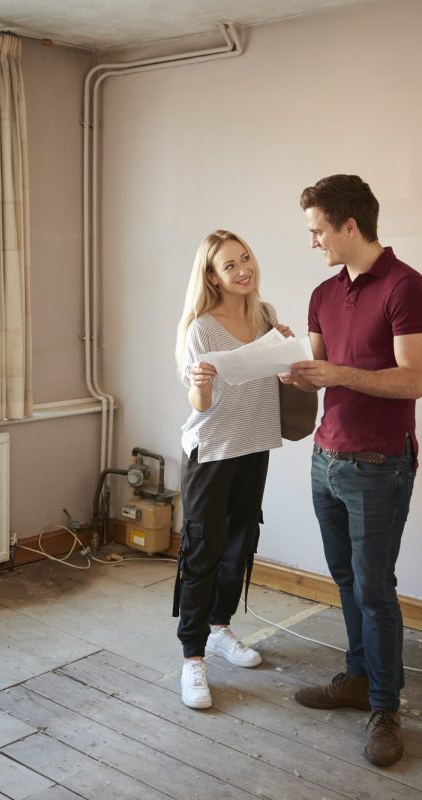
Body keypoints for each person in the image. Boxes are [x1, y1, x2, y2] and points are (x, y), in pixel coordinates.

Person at [284, 174, 422, 767]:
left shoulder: (406, 286)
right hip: (326, 457)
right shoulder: (321, 294)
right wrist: (293, 370)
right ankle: (358, 677)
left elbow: (414, 378)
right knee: (345, 578)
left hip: (379, 464)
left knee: (375, 589)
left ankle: (387, 707)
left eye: (317, 230)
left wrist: (337, 373)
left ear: (348, 225)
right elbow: (319, 370)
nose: (313, 241)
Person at [173, 229, 292, 709]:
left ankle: (220, 629)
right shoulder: (200, 328)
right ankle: (192, 656)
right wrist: (201, 381)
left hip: (255, 444)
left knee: (241, 541)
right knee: (203, 548)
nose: (244, 269)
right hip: (212, 450)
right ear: (212, 276)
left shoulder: (266, 317)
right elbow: (199, 401)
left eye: (245, 259)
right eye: (230, 265)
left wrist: (288, 360)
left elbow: (281, 379)